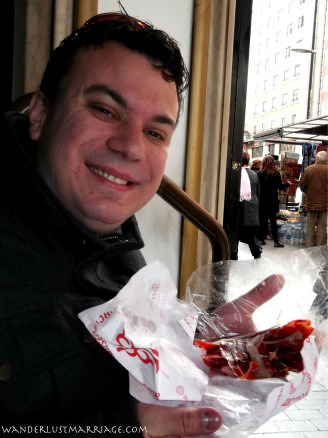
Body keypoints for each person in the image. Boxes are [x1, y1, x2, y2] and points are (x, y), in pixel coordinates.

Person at [1, 12, 285, 437]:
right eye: (104, 109)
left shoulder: (114, 245)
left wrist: (198, 344)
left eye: (155, 133)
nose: (131, 146)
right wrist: (125, 429)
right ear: (40, 114)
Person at [231, 152, 262, 260]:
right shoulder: (254, 174)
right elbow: (258, 193)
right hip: (251, 208)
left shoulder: (235, 172)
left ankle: (233, 254)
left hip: (238, 208)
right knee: (250, 234)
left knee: (235, 233)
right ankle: (257, 254)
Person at [258, 155, 289, 247]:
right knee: (273, 221)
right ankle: (276, 242)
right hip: (273, 201)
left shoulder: (259, 174)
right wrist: (287, 184)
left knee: (262, 221)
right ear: (273, 163)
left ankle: (261, 239)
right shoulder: (276, 174)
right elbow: (280, 187)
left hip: (262, 200)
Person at [300, 150, 328, 247]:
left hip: (311, 202)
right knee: (322, 227)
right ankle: (319, 248)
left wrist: (308, 191)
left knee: (310, 226)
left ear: (317, 158)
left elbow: (302, 185)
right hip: (325, 203)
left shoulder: (309, 169)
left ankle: (309, 247)